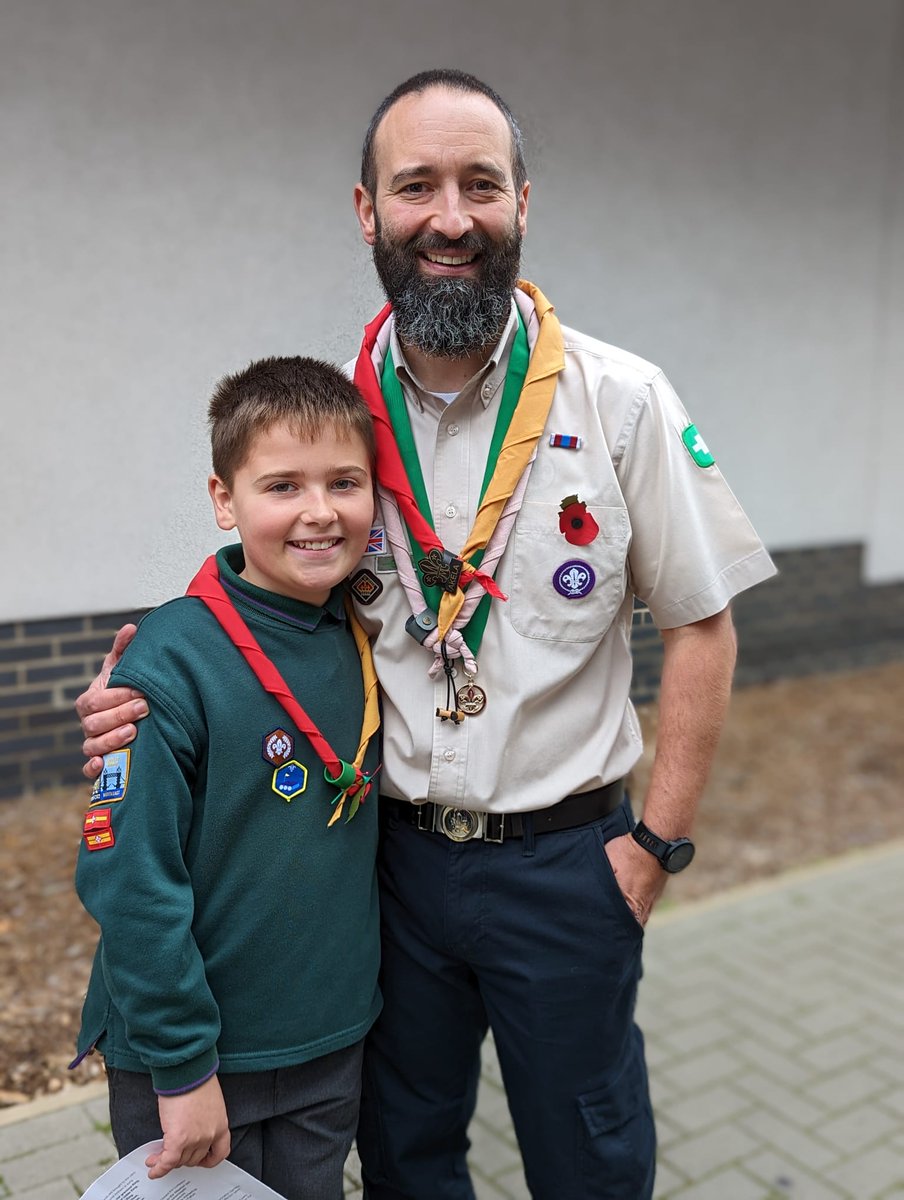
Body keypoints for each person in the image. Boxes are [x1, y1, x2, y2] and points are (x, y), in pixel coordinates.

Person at [77, 71, 777, 1199]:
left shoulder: (622, 399)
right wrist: (144, 688)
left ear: (521, 203)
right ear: (369, 211)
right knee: (405, 1156)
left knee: (589, 1158)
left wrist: (652, 851)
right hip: (387, 868)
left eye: (479, 185)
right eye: (416, 187)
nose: (450, 218)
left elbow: (704, 625)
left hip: (567, 866)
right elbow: (264, 583)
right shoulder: (336, 415)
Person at [72, 357, 382, 1199]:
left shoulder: (372, 631)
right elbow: (129, 879)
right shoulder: (170, 661)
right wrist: (181, 1067)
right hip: (197, 1064)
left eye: (344, 482)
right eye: (282, 485)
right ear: (224, 499)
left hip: (327, 1045)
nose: (319, 512)